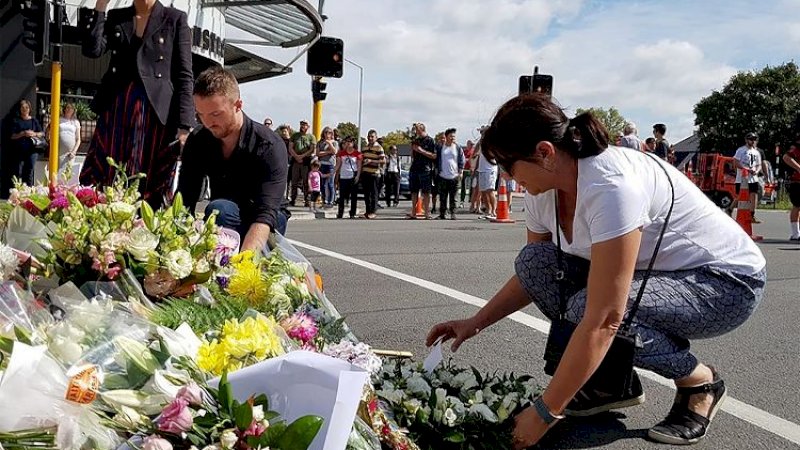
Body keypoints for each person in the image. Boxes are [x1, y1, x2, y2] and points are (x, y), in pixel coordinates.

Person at [427, 94, 766, 449]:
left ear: (544, 152)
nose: (507, 177)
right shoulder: (543, 188)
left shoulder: (612, 187)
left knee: (592, 309)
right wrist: (475, 321)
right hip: (655, 276)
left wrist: (545, 412)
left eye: (509, 166)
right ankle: (608, 385)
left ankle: (700, 382)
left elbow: (605, 317)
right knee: (536, 262)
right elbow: (540, 275)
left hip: (724, 282)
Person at [80, 0, 194, 208]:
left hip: (155, 113)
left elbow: (184, 76)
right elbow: (92, 50)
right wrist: (100, 8)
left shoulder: (175, 18)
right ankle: (105, 228)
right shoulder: (117, 16)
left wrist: (184, 126)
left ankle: (143, 232)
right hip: (117, 109)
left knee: (149, 181)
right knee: (107, 175)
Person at [177, 67, 289, 251]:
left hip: (266, 215)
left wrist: (242, 267)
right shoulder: (199, 139)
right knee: (219, 210)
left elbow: (265, 214)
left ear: (238, 105)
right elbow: (185, 197)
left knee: (221, 212)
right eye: (200, 115)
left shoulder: (269, 145)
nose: (207, 123)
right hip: (225, 212)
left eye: (215, 114)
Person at [9, 100, 45, 186]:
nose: (25, 109)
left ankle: (29, 192)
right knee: (18, 171)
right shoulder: (16, 121)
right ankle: (18, 192)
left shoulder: (34, 121)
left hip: (32, 150)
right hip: (19, 150)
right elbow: (12, 136)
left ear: (29, 109)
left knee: (29, 170)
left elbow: (42, 133)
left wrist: (34, 133)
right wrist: (23, 133)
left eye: (26, 107)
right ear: (20, 109)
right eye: (23, 107)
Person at [407, 123, 437, 219]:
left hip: (425, 169)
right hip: (414, 168)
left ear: (421, 129)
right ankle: (413, 212)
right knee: (414, 190)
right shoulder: (415, 141)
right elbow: (412, 155)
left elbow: (434, 156)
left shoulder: (430, 140)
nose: (415, 131)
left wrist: (421, 151)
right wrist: (412, 150)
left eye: (416, 129)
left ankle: (427, 213)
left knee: (426, 191)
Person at [46, 102, 82, 181]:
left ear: (74, 110)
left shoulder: (76, 122)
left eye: (71, 108)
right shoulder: (58, 119)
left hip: (70, 153)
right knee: (57, 172)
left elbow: (78, 139)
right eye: (67, 108)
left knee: (67, 173)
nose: (69, 110)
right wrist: (49, 141)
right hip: (58, 151)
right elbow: (48, 130)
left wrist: (74, 151)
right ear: (64, 109)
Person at [733, 132, 763, 223]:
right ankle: (731, 209)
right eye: (751, 139)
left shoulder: (756, 152)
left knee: (753, 195)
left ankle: (752, 215)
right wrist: (745, 169)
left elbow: (759, 164)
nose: (753, 141)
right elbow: (736, 162)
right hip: (742, 177)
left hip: (753, 178)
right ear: (746, 140)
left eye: (754, 139)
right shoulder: (741, 150)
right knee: (740, 196)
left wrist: (756, 171)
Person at [435, 128, 464, 220]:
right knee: (442, 197)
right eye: (451, 136)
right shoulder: (440, 147)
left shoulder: (458, 148)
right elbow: (436, 159)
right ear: (446, 137)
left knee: (453, 197)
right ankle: (442, 214)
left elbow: (462, 160)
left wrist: (461, 172)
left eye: (454, 136)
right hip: (443, 175)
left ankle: (453, 213)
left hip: (454, 176)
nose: (453, 138)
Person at [290, 120, 316, 207]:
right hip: (295, 160)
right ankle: (293, 199)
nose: (302, 126)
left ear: (308, 126)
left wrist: (302, 156)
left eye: (305, 125)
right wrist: (296, 156)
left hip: (306, 161)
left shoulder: (311, 137)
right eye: (301, 124)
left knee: (306, 181)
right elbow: (290, 148)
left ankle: (307, 200)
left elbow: (312, 149)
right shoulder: (295, 135)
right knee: (294, 181)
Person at [359, 130, 385, 219]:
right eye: (369, 136)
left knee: (374, 193)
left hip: (374, 173)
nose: (370, 138)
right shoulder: (364, 148)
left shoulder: (379, 148)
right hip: (365, 173)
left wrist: (371, 161)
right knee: (366, 194)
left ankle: (373, 211)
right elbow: (362, 159)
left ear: (376, 138)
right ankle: (367, 211)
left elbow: (383, 161)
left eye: (372, 137)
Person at [334, 136, 362, 219]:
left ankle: (352, 212)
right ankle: (340, 212)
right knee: (342, 196)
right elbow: (338, 165)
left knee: (353, 196)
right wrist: (332, 173)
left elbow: (359, 166)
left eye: (350, 141)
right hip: (343, 176)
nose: (348, 143)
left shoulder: (358, 154)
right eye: (346, 141)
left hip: (352, 176)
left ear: (353, 143)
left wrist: (358, 176)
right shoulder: (341, 153)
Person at [316, 126, 338, 207]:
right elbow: (318, 153)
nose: (327, 134)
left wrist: (329, 143)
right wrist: (328, 152)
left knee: (330, 184)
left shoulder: (334, 142)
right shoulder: (320, 142)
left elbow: (334, 151)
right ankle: (324, 200)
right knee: (323, 184)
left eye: (329, 132)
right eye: (325, 132)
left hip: (331, 165)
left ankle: (331, 201)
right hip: (322, 164)